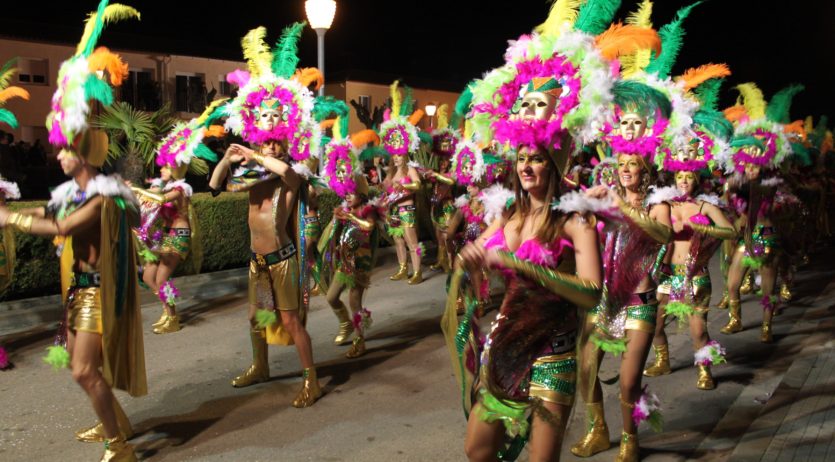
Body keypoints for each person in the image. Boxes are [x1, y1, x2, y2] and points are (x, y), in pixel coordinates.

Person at [444, 1, 658, 459]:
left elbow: (589, 293)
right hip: (505, 346)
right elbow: (476, 255)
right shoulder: (509, 216)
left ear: (556, 161)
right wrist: (467, 259)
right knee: (477, 451)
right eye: (521, 158)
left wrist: (526, 267)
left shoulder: (576, 219)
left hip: (553, 354)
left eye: (536, 158)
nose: (526, 166)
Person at [0, 4, 144, 459]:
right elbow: (54, 213)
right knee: (88, 369)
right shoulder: (71, 193)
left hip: (99, 294)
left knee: (83, 371)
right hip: (79, 291)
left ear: (83, 151)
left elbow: (60, 226)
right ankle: (114, 423)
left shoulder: (104, 197)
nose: (58, 154)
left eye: (65, 148)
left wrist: (9, 219)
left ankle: (119, 444)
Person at [210, 23, 323, 407]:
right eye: (266, 138)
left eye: (277, 139)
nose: (271, 143)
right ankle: (261, 366)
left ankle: (312, 380)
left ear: (286, 139)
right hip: (258, 262)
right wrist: (226, 159)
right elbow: (213, 186)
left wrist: (257, 155)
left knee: (291, 322)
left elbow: (287, 174)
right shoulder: (252, 173)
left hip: (282, 261)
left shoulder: (292, 173)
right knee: (257, 318)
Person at [719, 83, 800, 343]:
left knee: (768, 286)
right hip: (746, 239)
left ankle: (767, 325)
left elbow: (790, 203)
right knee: (732, 284)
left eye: (758, 152)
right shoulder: (737, 183)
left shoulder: (774, 183)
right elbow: (725, 205)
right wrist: (729, 191)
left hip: (767, 237)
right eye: (748, 152)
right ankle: (735, 319)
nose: (753, 159)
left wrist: (777, 204)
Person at [132, 101, 222, 334]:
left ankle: (172, 317)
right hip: (167, 235)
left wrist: (137, 191)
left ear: (174, 169)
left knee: (161, 278)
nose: (160, 170)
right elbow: (151, 197)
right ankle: (168, 310)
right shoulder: (164, 184)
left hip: (178, 236)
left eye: (165, 167)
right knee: (150, 276)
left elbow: (161, 200)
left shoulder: (181, 189)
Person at [379, 81, 425, 285]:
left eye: (399, 155)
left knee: (410, 240)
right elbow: (387, 190)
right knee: (398, 240)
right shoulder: (392, 171)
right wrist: (382, 186)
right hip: (394, 210)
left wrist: (404, 186)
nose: (396, 158)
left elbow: (418, 185)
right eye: (394, 156)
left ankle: (417, 272)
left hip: (407, 210)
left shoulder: (411, 169)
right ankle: (402, 268)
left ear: (405, 154)